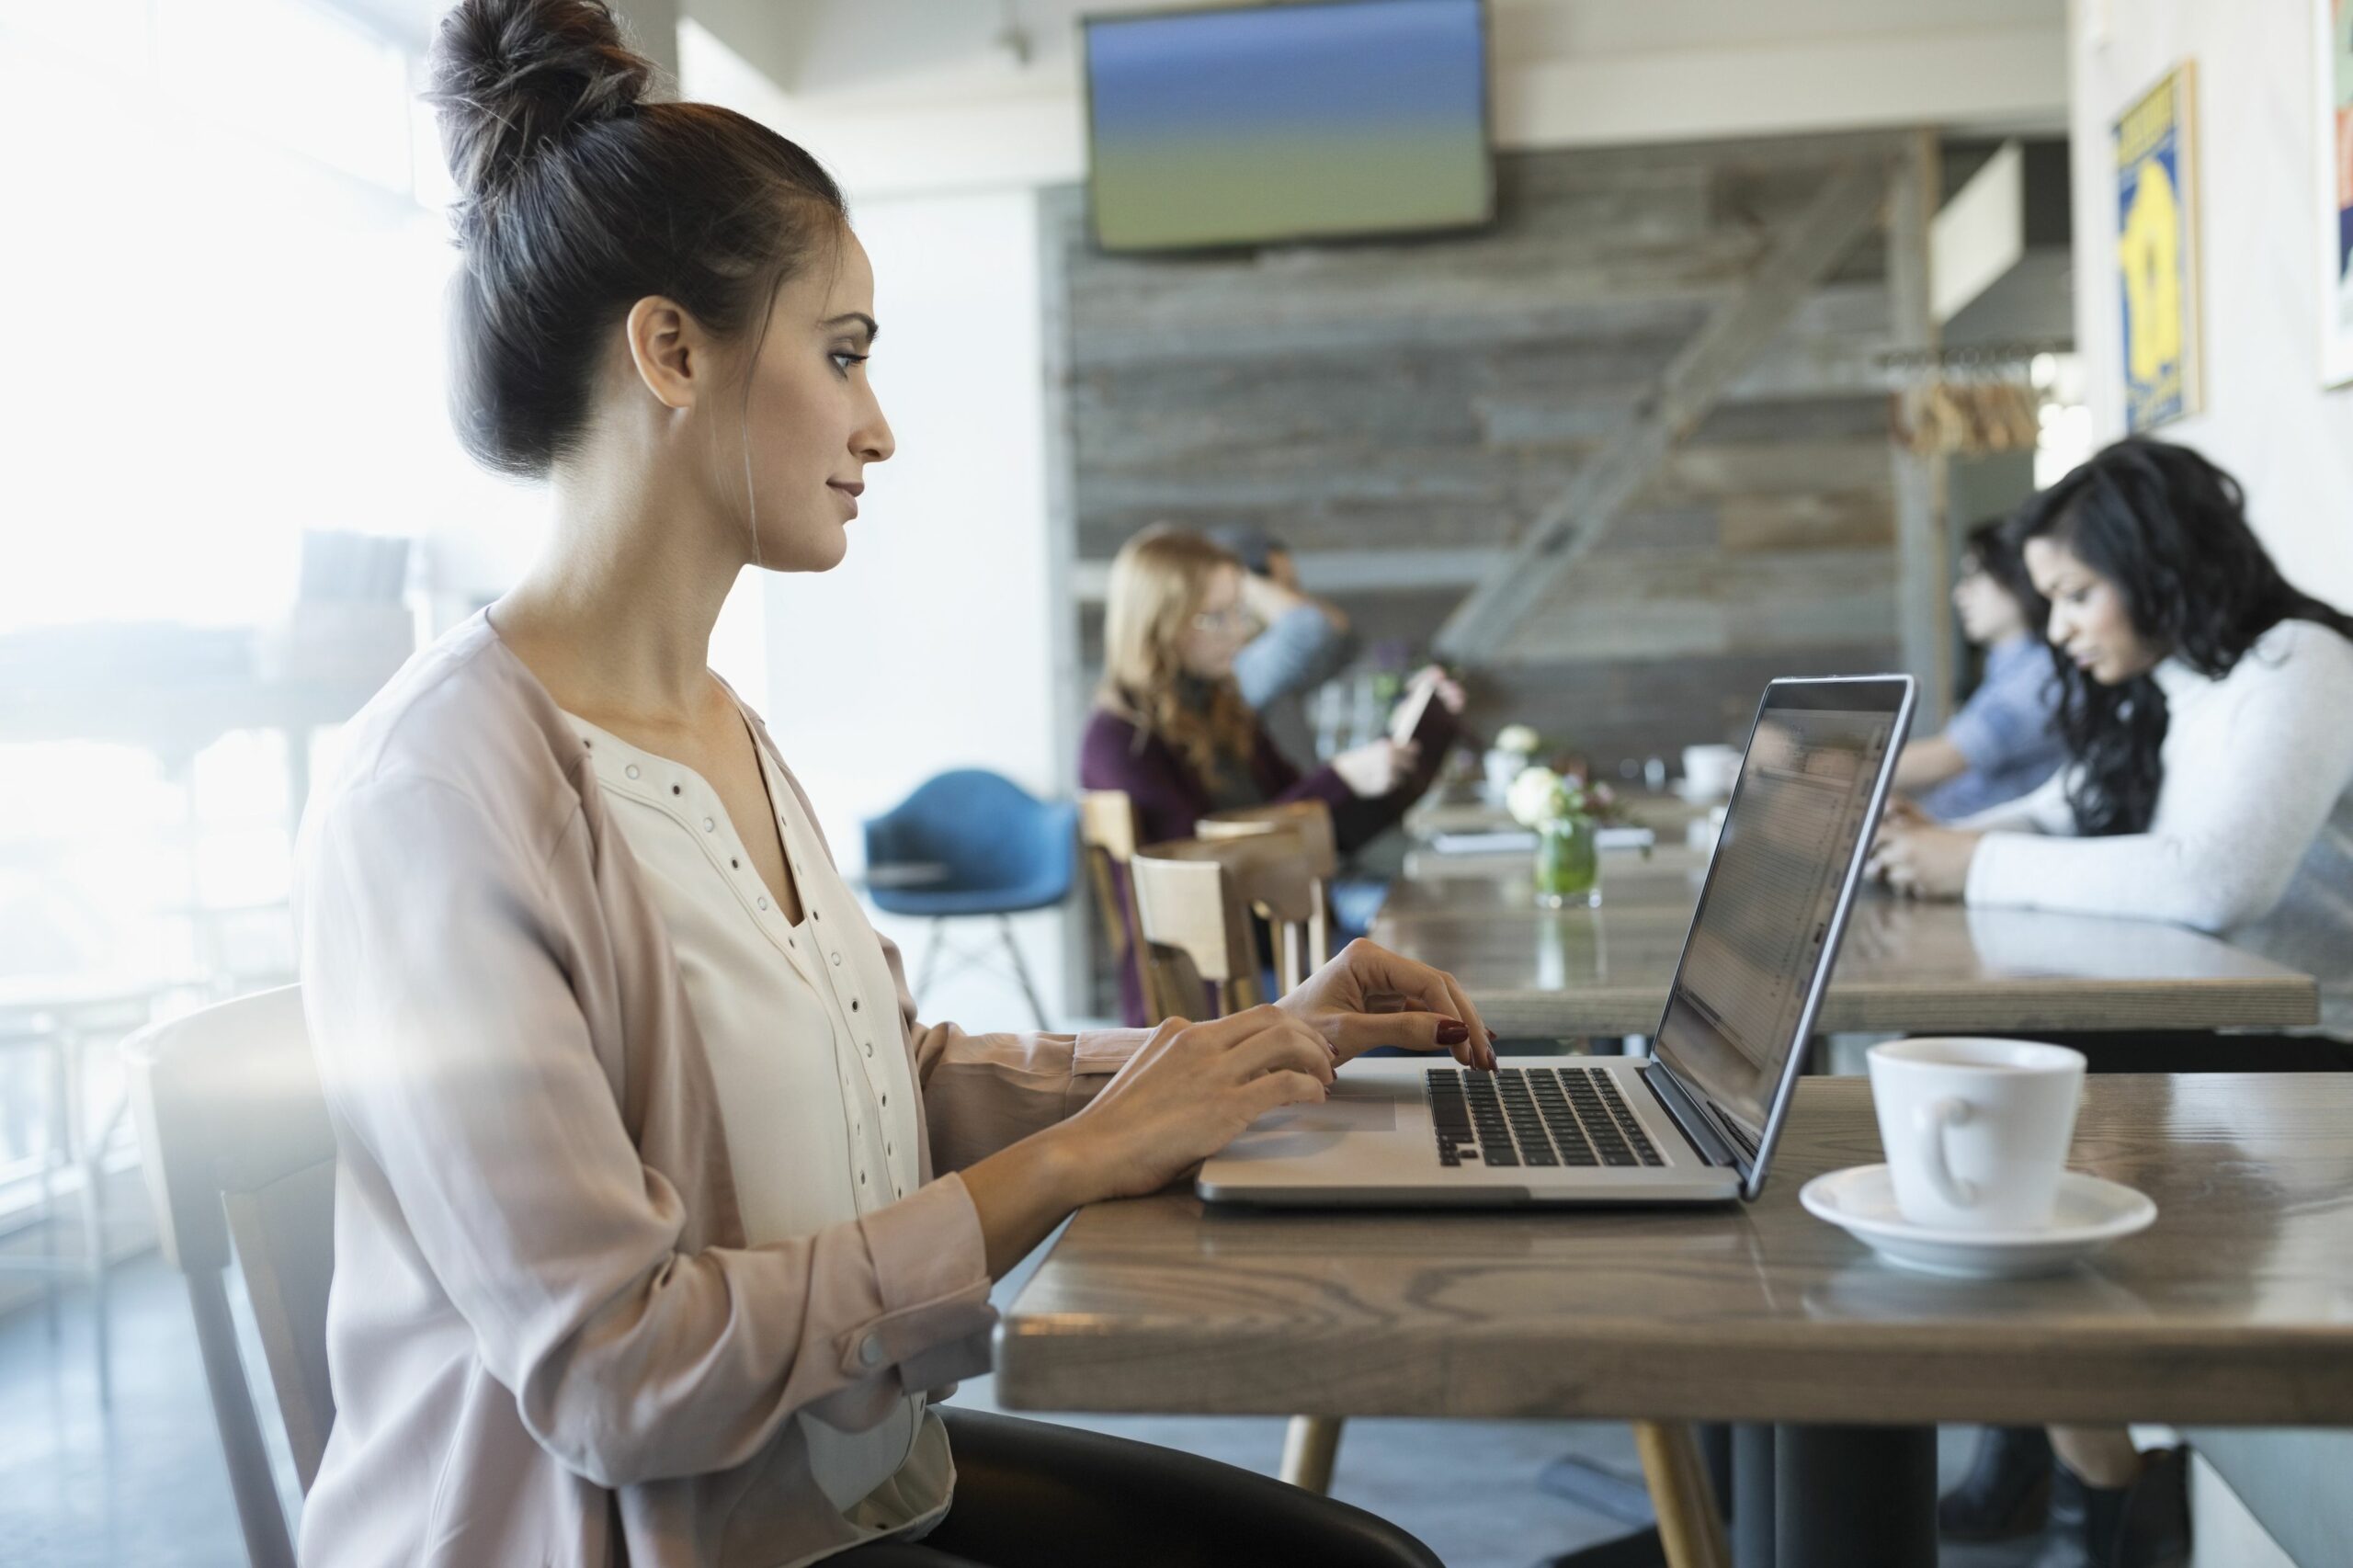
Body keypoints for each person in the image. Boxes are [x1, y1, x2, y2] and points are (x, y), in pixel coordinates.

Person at [292, 6, 1497, 1566]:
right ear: (672, 351)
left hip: (830, 1487)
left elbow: (886, 1086)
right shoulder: (437, 799)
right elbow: (621, 1373)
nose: (879, 425)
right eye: (843, 354)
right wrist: (1069, 1158)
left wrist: (1241, 1053)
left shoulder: (717, 724)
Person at [1870, 437, 2353, 1568]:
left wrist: (1968, 866)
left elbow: (2210, 879)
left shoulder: (2301, 661)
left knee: (2007, 1104)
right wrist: (1920, 847)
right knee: (1979, 1078)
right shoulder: (2172, 686)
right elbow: (2061, 808)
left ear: (2163, 562)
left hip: (2323, 1039)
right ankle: (2097, 1489)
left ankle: (2103, 1498)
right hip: (2234, 1022)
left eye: (2079, 593)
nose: (2064, 627)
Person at [1080, 527, 1462, 1026]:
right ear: (1157, 624)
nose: (1238, 633)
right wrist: (1340, 778)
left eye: (1239, 612)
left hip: (1277, 951)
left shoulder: (1222, 708)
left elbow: (1321, 832)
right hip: (1208, 985)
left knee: (1436, 978)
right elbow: (1204, 859)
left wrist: (1418, 740)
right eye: (1214, 618)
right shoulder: (1118, 738)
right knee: (1421, 1000)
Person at [1893, 516, 2065, 819]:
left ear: (2017, 576)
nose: (1959, 594)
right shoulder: (2010, 666)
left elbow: (1941, 760)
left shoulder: (2040, 675)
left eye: (1974, 576)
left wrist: (1807, 762)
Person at [1203, 522, 1359, 771]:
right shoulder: (1237, 670)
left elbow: (1345, 641)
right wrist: (1241, 578)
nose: (1292, 600)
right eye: (1281, 589)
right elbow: (1308, 628)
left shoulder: (1270, 662)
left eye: (1293, 589)